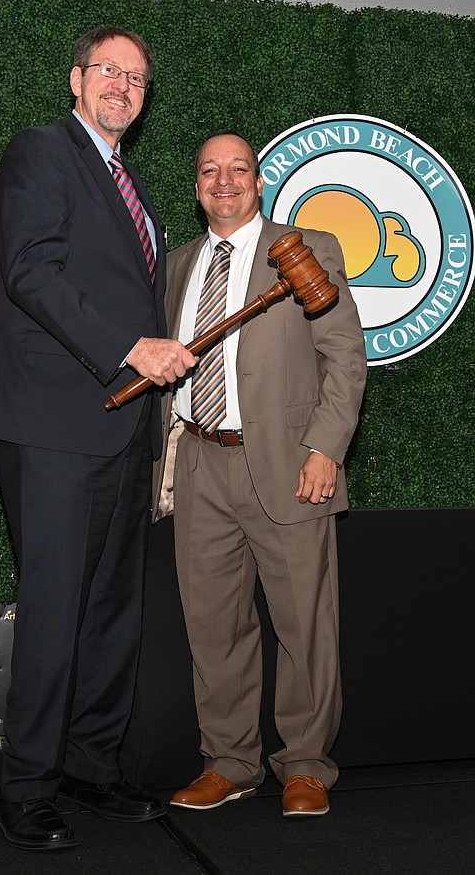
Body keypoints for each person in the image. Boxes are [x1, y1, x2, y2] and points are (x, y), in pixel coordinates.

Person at [0, 26, 197, 851]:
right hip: (53, 427)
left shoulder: (132, 184)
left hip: (124, 425)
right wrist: (131, 348)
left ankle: (89, 768)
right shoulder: (41, 152)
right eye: (109, 70)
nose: (122, 86)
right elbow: (30, 272)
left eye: (136, 78)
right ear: (76, 79)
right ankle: (27, 787)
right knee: (57, 608)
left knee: (111, 611)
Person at [155, 131, 367, 817]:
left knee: (304, 624)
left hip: (288, 462)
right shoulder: (177, 265)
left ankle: (305, 765)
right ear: (196, 187)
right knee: (213, 625)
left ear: (259, 180)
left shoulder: (305, 249)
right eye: (209, 171)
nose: (224, 181)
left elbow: (345, 357)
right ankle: (230, 762)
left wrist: (325, 448)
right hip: (199, 462)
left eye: (238, 169)